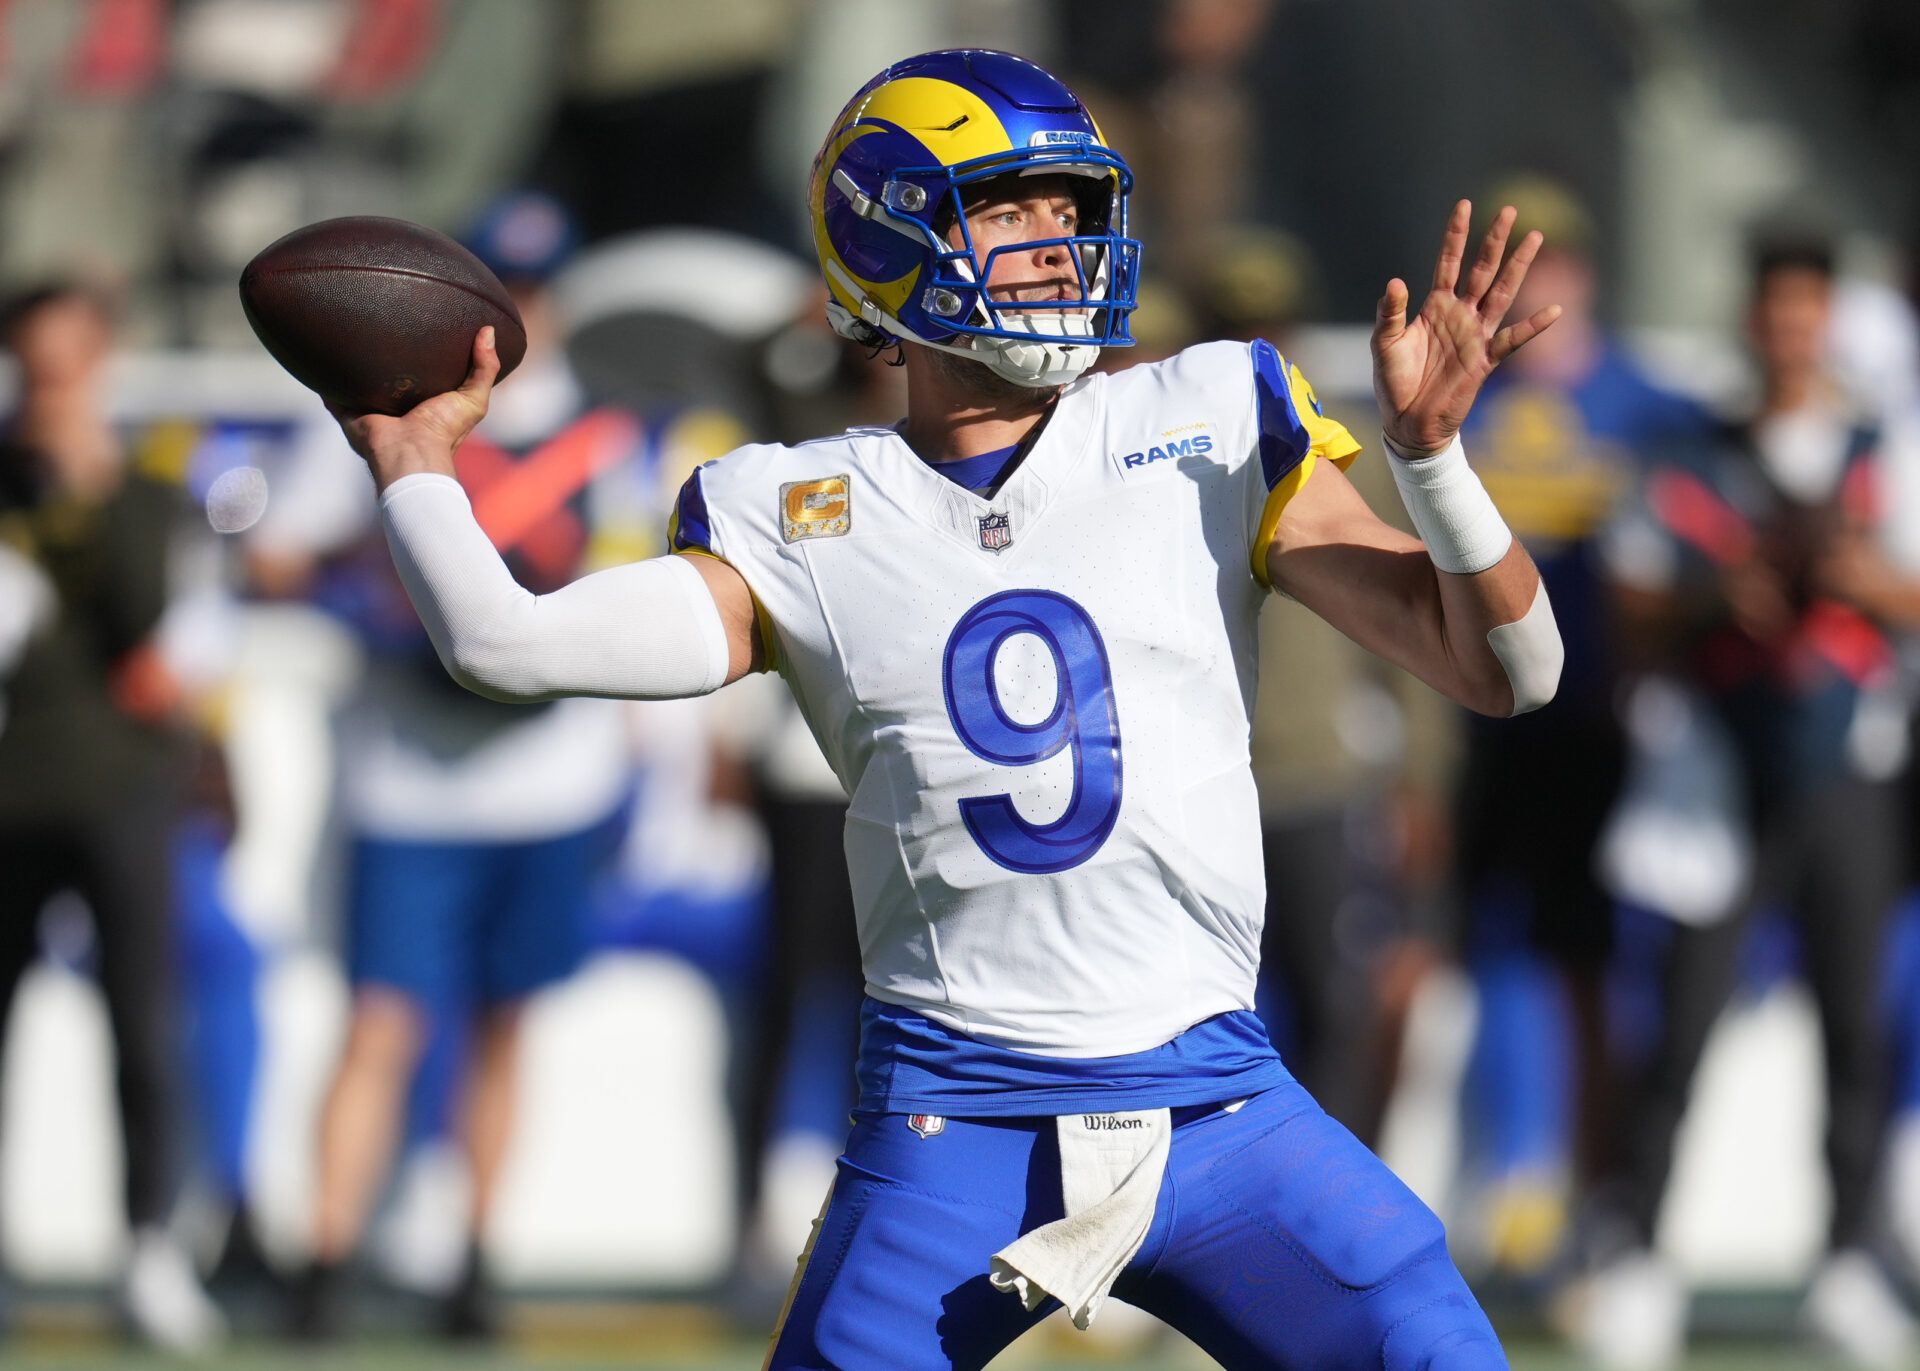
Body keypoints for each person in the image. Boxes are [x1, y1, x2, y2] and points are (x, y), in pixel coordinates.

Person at [326, 49, 1562, 1370]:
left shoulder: (1203, 420)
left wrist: (1431, 461)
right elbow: (504, 641)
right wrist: (414, 466)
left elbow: (1505, 668)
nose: (1056, 244)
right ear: (889, 230)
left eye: (1067, 210)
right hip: (957, 1131)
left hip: (1225, 1106)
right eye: (1009, 209)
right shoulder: (799, 512)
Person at [280, 193, 635, 1340]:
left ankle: (473, 1259)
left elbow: (631, 594)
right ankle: (324, 1261)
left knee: (503, 1024)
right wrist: (367, 588)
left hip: (551, 773)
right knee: (380, 1022)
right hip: (409, 773)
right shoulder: (378, 405)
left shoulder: (608, 436)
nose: (521, 315)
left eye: (534, 293)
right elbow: (279, 555)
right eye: (504, 292)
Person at [1579, 237, 1920, 1371]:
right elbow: (1631, 607)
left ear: (1827, 322)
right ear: (1752, 319)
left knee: (1855, 1028)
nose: (1790, 332)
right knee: (1679, 1024)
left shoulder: (1887, 448)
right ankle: (1637, 1253)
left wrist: (1851, 574)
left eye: (1807, 312)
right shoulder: (1692, 449)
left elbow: (1910, 591)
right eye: (1773, 310)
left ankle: (1851, 1255)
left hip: (1847, 772)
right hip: (1715, 775)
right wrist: (1719, 594)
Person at [0, 283, 224, 1352]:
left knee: (141, 1026)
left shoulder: (144, 487)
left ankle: (147, 1245)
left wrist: (86, 481)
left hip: (121, 790)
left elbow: (151, 636)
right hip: (11, 789)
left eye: (66, 366)